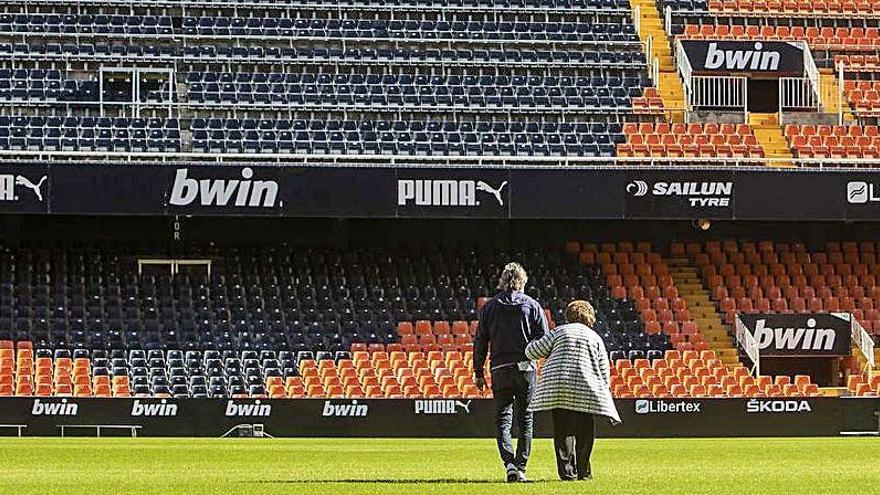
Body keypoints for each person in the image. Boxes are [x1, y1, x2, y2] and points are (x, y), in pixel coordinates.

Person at [525, 300, 620, 481]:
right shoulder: (595, 337)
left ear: (568, 316)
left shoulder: (559, 332)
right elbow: (604, 369)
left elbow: (533, 352)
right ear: (589, 316)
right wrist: (604, 392)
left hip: (559, 388)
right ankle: (584, 473)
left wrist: (528, 343)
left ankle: (567, 473)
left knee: (563, 432)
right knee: (585, 432)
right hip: (586, 389)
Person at [473, 262, 548, 483]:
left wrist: (478, 371)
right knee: (526, 419)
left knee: (502, 419)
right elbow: (544, 339)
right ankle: (521, 466)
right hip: (526, 368)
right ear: (523, 282)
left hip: (499, 368)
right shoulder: (533, 306)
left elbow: (480, 341)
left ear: (502, 281)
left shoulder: (489, 307)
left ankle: (509, 464)